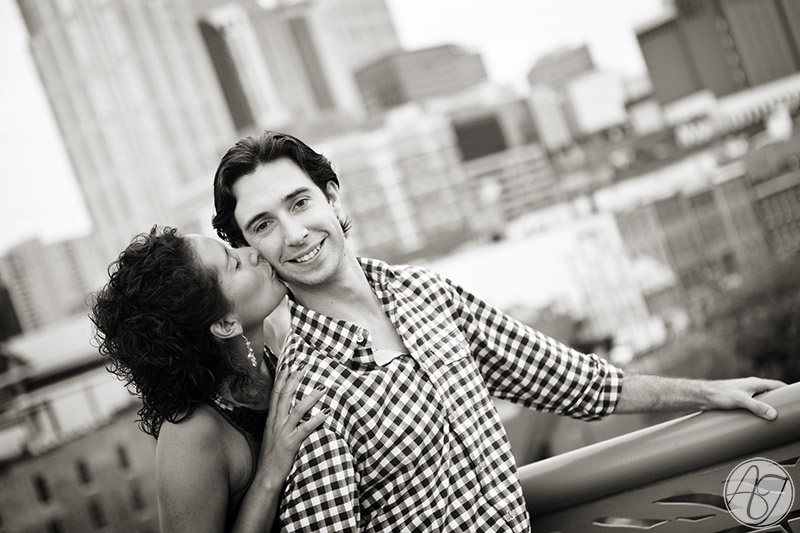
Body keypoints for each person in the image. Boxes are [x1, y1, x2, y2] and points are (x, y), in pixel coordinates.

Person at [211, 131, 786, 532]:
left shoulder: (425, 293)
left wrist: (709, 392)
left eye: (299, 202)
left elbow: (578, 383)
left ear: (332, 197)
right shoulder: (309, 395)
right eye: (264, 224)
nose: (294, 233)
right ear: (251, 249)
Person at [90, 226, 327, 533]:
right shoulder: (190, 437)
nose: (252, 251)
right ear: (226, 324)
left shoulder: (272, 350)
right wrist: (269, 472)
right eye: (235, 263)